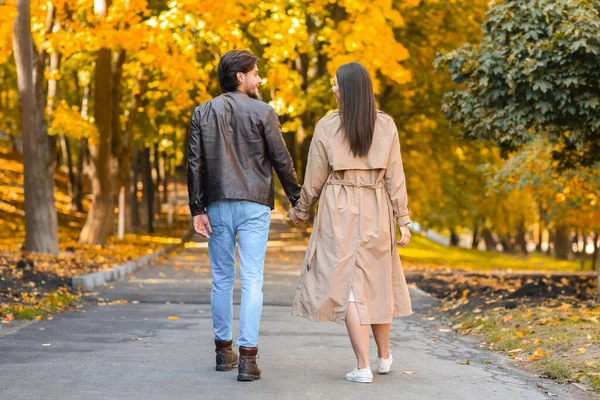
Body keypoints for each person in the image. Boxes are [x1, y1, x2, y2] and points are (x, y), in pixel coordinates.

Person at [288, 62, 413, 384]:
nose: (332, 88)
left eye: (335, 84)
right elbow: (395, 176)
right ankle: (384, 358)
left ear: (348, 89)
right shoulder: (386, 125)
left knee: (348, 287)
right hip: (376, 206)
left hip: (339, 206)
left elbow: (314, 177)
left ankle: (363, 366)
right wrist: (403, 219)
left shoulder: (327, 126)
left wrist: (300, 211)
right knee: (377, 282)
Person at [187, 49, 301, 382]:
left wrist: (197, 208)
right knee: (252, 279)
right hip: (254, 204)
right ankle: (248, 359)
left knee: (222, 279)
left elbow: (195, 164)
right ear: (241, 77)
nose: (259, 78)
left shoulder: (202, 112)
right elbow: (282, 159)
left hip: (218, 204)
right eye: (255, 73)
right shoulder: (263, 111)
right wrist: (297, 198)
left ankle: (224, 352)